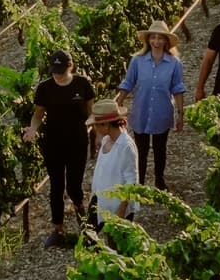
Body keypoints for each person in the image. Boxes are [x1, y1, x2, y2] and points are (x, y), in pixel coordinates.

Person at [22, 49, 95, 247]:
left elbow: (91, 111)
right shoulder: (45, 88)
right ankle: (58, 229)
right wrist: (33, 129)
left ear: (70, 66)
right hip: (53, 143)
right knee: (56, 186)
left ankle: (84, 222)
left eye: (60, 71)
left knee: (74, 185)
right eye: (54, 71)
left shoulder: (82, 84)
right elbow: (38, 114)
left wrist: (97, 133)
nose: (57, 75)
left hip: (77, 142)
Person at [114, 19, 185, 190]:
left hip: (162, 111)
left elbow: (177, 88)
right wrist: (119, 102)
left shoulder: (174, 63)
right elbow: (128, 82)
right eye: (153, 37)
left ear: (166, 41)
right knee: (141, 149)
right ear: (148, 40)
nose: (156, 41)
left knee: (160, 148)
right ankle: (140, 183)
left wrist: (181, 113)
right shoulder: (137, 61)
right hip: (141, 111)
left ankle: (159, 181)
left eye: (160, 38)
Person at [87, 99, 138, 231]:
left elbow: (131, 181)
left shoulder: (126, 146)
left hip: (117, 206)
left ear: (106, 125)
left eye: (96, 124)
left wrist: (122, 209)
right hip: (99, 200)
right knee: (88, 237)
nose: (95, 128)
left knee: (115, 242)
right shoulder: (106, 140)